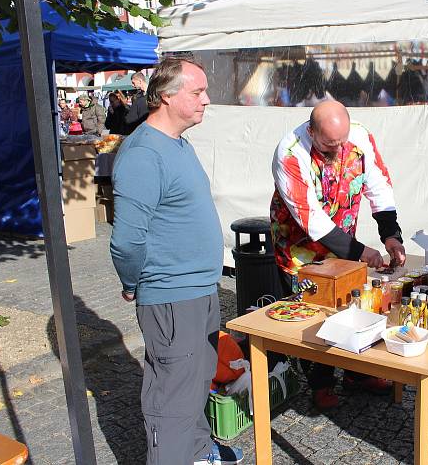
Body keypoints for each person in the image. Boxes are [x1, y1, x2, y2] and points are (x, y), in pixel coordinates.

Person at [110, 56, 243, 465]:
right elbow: (126, 241)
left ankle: (198, 453)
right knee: (172, 393)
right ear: (166, 96)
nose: (206, 100)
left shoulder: (177, 144)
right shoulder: (142, 155)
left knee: (196, 381)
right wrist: (134, 283)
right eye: (197, 91)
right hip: (171, 294)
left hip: (198, 289)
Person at [270, 100, 406, 409]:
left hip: (342, 241)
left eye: (342, 141)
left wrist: (391, 236)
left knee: (350, 304)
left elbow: (378, 186)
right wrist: (360, 252)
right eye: (330, 144)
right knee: (316, 311)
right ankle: (320, 384)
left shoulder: (358, 136)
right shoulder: (290, 153)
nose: (339, 149)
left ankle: (356, 374)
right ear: (311, 131)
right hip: (299, 247)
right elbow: (313, 220)